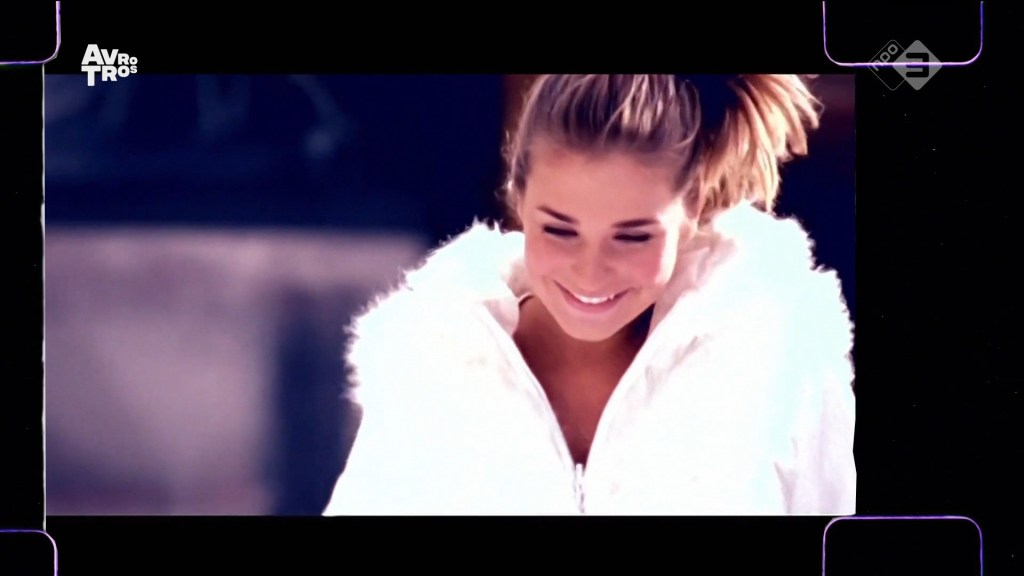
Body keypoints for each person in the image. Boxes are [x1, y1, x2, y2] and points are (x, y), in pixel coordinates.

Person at [322, 74, 855, 515]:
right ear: (518, 198)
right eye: (559, 230)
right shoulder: (430, 365)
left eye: (633, 236)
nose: (590, 273)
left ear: (691, 206)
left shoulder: (780, 359)